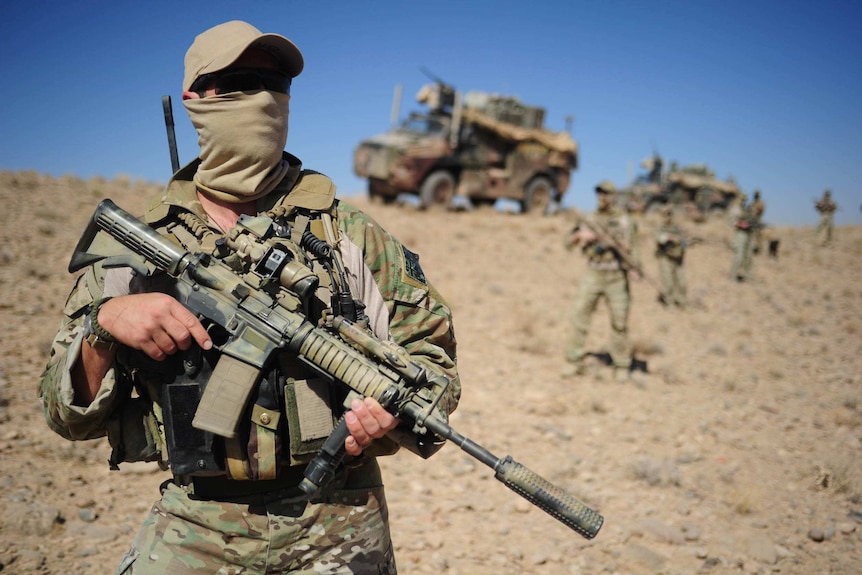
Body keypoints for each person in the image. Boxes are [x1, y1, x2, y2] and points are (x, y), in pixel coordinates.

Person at [38, 20, 459, 574]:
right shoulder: (143, 244)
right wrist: (105, 324)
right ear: (194, 102)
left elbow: (437, 371)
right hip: (197, 519)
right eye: (238, 82)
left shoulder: (346, 234)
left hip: (339, 517)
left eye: (275, 82)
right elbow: (64, 416)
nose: (262, 98)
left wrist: (389, 411)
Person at [564, 180, 640, 382]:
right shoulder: (589, 218)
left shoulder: (625, 221)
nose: (602, 197)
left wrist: (635, 268)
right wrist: (579, 236)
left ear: (613, 196)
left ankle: (621, 364)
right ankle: (573, 360)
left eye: (606, 193)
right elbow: (567, 242)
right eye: (599, 193)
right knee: (579, 314)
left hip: (616, 276)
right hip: (594, 273)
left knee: (619, 321)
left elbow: (635, 248)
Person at [655, 205, 688, 308]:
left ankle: (682, 302)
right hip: (665, 257)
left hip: (677, 258)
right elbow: (659, 239)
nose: (667, 217)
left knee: (682, 282)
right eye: (665, 215)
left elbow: (684, 242)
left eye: (669, 214)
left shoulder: (678, 228)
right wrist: (670, 238)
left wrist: (682, 243)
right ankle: (669, 303)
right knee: (668, 282)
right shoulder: (661, 228)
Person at [729, 193, 756, 282]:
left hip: (748, 234)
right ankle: (732, 277)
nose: (744, 200)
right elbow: (731, 222)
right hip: (740, 234)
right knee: (739, 257)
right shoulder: (735, 209)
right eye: (743, 198)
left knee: (749, 257)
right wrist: (741, 224)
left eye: (745, 199)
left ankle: (748, 276)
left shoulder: (746, 209)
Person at [750, 189, 765, 255]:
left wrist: (756, 212)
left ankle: (759, 250)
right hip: (752, 220)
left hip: (758, 220)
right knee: (751, 235)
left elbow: (761, 210)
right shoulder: (753, 203)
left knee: (758, 236)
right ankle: (751, 249)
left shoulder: (760, 203)